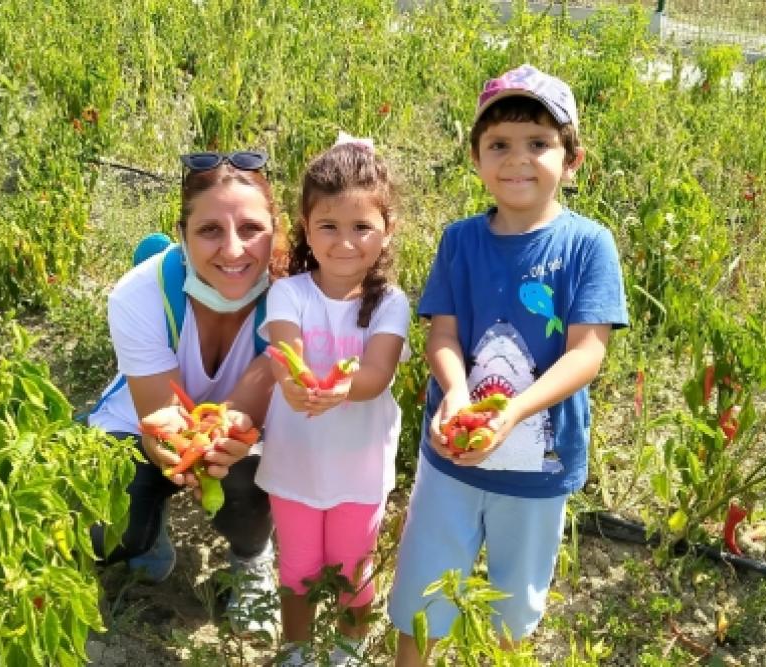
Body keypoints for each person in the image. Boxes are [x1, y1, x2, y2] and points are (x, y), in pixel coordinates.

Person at [386, 64, 630, 665]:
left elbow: (587, 352)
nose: (517, 159)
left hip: (539, 466)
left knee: (513, 608)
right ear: (476, 158)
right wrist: (455, 395)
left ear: (571, 160)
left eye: (538, 143)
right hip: (452, 454)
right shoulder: (461, 241)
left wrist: (513, 410)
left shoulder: (587, 244)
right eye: (499, 144)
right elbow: (443, 334)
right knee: (422, 597)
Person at [84, 150, 281, 635]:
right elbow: (159, 423)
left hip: (239, 433)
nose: (233, 250)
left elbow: (247, 411)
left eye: (251, 229)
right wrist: (172, 450)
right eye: (210, 230)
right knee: (98, 531)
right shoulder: (139, 295)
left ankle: (252, 557)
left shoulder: (293, 298)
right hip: (140, 424)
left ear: (276, 231)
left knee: (252, 473)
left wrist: (220, 443)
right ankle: (146, 534)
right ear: (183, 234)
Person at [257, 137, 410, 667]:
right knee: (297, 569)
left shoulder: (390, 303)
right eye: (329, 227)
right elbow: (284, 353)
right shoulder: (289, 292)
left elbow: (378, 372)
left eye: (361, 227)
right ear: (304, 226)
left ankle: (347, 652)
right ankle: (296, 651)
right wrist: (293, 380)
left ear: (387, 229)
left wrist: (343, 388)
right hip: (295, 463)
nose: (345, 242)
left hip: (360, 469)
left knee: (353, 570)